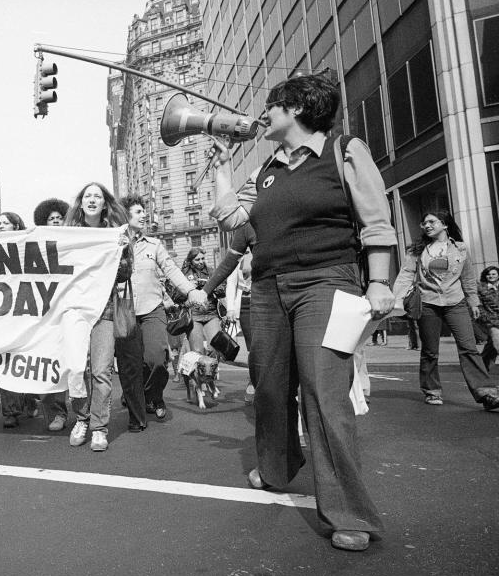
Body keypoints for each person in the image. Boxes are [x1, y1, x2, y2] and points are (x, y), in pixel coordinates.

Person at [211, 73, 396, 551]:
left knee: (324, 394)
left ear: (294, 109)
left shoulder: (345, 150)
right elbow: (235, 221)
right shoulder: (267, 168)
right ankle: (275, 470)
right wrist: (222, 169)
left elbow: (376, 221)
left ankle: (349, 512)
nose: (264, 113)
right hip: (269, 289)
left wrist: (378, 282)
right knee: (269, 387)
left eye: (272, 106)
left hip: (327, 284)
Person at [392, 211, 499, 410]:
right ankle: (432, 390)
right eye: (424, 223)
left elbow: (467, 277)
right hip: (428, 303)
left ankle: (486, 393)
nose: (427, 225)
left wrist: (473, 302)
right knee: (430, 351)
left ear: (445, 224)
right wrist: (396, 299)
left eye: (432, 222)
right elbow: (406, 275)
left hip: (455, 302)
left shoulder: (460, 248)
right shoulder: (417, 250)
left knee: (469, 348)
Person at [118, 194, 204, 424]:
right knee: (133, 364)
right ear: (125, 216)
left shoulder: (154, 245)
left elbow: (172, 270)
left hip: (152, 308)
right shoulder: (114, 245)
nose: (144, 215)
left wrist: (190, 291)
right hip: (125, 312)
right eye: (137, 212)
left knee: (157, 357)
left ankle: (153, 396)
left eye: (143, 211)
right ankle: (138, 400)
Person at [63, 182, 133, 452]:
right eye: (88, 196)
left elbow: (125, 275)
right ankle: (81, 419)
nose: (92, 200)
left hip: (104, 309)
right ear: (81, 203)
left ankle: (100, 427)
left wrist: (122, 253)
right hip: (73, 310)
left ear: (105, 204)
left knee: (102, 370)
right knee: (77, 368)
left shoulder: (114, 234)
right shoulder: (67, 235)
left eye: (98, 196)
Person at [0, 212, 40, 428]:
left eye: (6, 223)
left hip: (24, 309)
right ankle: (10, 411)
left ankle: (29, 396)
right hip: (0, 312)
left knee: (24, 358)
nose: (1, 226)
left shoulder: (27, 247)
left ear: (16, 226)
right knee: (4, 360)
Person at [203, 224, 257, 402]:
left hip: (266, 299)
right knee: (253, 347)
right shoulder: (241, 255)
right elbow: (232, 283)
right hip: (247, 304)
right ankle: (254, 380)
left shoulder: (264, 246)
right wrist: (232, 309)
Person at [33, 197, 73, 431]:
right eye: (51, 218)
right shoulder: (35, 244)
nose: (56, 221)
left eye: (59, 218)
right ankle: (56, 413)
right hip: (43, 313)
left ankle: (81, 409)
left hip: (69, 311)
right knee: (46, 362)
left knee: (72, 363)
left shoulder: (75, 243)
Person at [181, 248, 224, 357]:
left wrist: (210, 286)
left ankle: (212, 372)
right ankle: (200, 373)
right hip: (194, 316)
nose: (201, 262)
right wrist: (189, 287)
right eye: (197, 259)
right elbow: (177, 295)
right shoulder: (184, 274)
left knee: (215, 348)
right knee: (197, 352)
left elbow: (222, 288)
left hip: (211, 314)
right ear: (191, 261)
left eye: (202, 258)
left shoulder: (211, 271)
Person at [478, 266, 499, 371]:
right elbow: (479, 306)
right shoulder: (481, 288)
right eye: (489, 274)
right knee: (497, 342)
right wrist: (486, 318)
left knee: (491, 347)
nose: (491, 276)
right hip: (491, 321)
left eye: (494, 274)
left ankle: (481, 368)